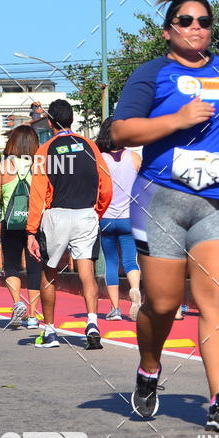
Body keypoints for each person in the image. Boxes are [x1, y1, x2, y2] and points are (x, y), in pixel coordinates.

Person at [112, 0, 219, 431]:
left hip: (216, 199)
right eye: (185, 21)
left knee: (215, 300)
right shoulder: (151, 74)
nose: (196, 28)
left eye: (203, 21)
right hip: (160, 198)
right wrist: (177, 120)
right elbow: (120, 132)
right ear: (167, 31)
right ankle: (148, 369)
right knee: (161, 303)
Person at [26, 99, 113, 349]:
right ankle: (93, 322)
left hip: (57, 216)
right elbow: (105, 184)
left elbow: (37, 194)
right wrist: (97, 211)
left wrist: (31, 230)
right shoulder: (90, 146)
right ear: (71, 120)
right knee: (87, 270)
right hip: (86, 213)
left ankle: (50, 331)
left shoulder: (45, 150)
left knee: (48, 273)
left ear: (51, 122)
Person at [0, 125, 42, 329]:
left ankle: (18, 303)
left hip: (10, 223)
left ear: (12, 142)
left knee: (11, 265)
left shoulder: (3, 165)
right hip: (34, 224)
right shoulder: (40, 165)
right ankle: (34, 316)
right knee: (35, 268)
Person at [95, 117, 142, 321]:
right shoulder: (134, 158)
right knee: (131, 260)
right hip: (129, 217)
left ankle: (114, 309)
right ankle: (135, 295)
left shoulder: (99, 159)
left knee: (111, 262)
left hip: (106, 218)